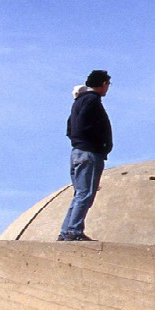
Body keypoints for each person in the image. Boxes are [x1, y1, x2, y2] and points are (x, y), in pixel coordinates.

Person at [57, 70, 112, 241]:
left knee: (80, 194)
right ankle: (73, 231)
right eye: (108, 84)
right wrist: (99, 144)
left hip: (78, 152)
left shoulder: (79, 101)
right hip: (89, 153)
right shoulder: (91, 100)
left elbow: (70, 127)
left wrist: (79, 141)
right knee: (85, 194)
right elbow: (85, 125)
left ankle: (67, 231)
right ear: (103, 84)